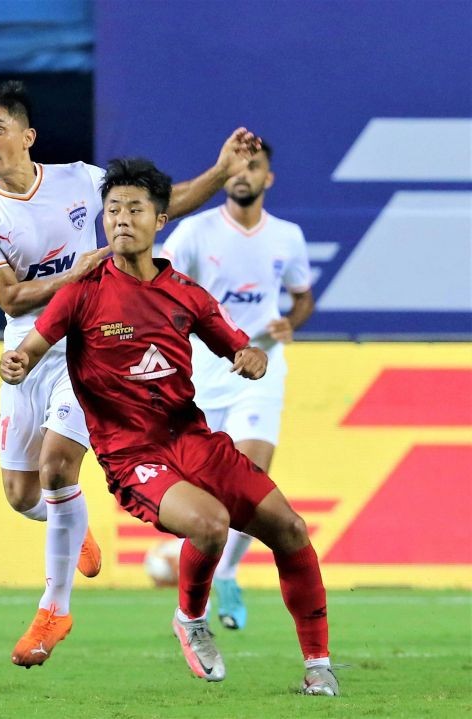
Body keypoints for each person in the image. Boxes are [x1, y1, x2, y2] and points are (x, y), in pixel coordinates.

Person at [0, 158, 338, 695]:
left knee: (292, 530)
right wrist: (15, 362)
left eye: (135, 209)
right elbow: (30, 348)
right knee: (210, 525)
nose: (121, 220)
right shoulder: (82, 292)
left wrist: (252, 357)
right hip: (132, 453)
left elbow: (239, 346)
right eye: (112, 210)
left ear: (161, 221)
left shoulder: (186, 292)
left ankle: (318, 667)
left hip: (193, 439)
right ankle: (190, 619)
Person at [0, 81, 261, 667]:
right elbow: (12, 297)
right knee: (23, 496)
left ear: (28, 136)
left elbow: (158, 200)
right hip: (28, 349)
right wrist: (79, 270)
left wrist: (221, 172)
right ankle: (70, 525)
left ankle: (55, 608)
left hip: (89, 344)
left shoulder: (77, 180)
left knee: (55, 464)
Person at [161, 140, 314, 630]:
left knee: (251, 474)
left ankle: (225, 573)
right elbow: (157, 284)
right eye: (238, 166)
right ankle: (208, 571)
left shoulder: (287, 237)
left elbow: (302, 297)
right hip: (204, 373)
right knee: (211, 490)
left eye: (255, 167)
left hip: (262, 367)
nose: (244, 174)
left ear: (268, 178)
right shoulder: (194, 232)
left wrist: (293, 322)